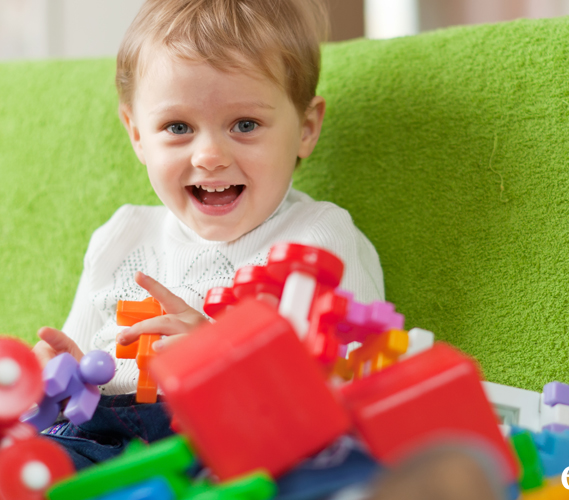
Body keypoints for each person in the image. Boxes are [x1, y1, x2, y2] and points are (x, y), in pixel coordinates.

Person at [30, 0, 385, 469]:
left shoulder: (318, 238)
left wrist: (223, 362)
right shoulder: (122, 234)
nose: (210, 155)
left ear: (305, 128)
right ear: (137, 133)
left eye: (245, 125)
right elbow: (75, 356)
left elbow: (351, 389)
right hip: (96, 436)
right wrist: (52, 375)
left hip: (222, 441)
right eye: (177, 127)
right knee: (18, 463)